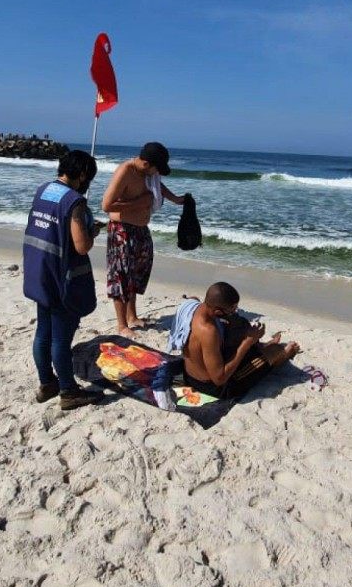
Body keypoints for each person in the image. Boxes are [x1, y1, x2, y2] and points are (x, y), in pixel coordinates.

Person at [23, 150, 105, 410]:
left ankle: (47, 383)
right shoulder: (75, 202)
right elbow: (81, 246)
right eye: (88, 177)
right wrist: (92, 231)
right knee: (60, 339)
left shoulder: (43, 190)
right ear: (82, 175)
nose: (88, 183)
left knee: (43, 333)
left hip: (39, 270)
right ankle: (69, 391)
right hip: (62, 278)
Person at [101, 142, 190, 336]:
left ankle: (132, 316)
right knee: (121, 276)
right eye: (157, 169)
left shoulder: (149, 173)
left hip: (141, 229)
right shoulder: (126, 171)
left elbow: (159, 184)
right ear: (147, 163)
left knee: (138, 273)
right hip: (121, 231)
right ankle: (122, 324)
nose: (157, 174)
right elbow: (107, 205)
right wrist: (139, 203)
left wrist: (175, 199)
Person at [168, 282, 301, 400]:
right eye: (231, 310)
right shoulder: (209, 332)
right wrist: (247, 342)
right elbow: (219, 379)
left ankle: (261, 345)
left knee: (237, 331)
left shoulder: (189, 305)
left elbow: (195, 301)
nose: (234, 312)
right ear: (218, 311)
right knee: (275, 351)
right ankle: (284, 353)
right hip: (212, 387)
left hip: (189, 373)